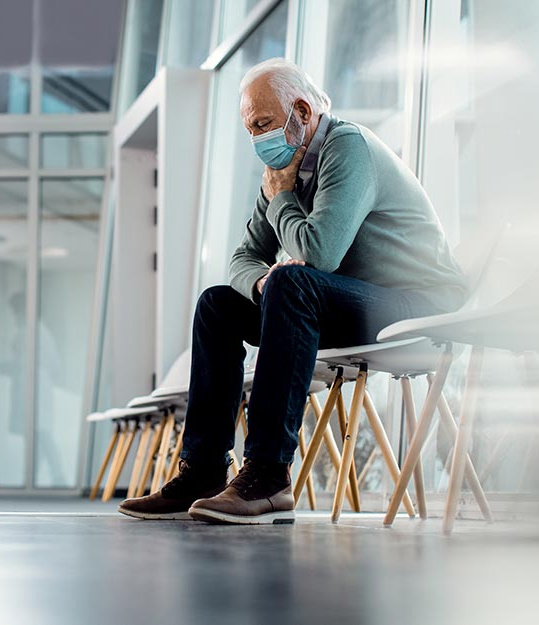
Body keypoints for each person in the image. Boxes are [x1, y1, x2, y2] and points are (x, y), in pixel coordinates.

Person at [119, 58, 467, 525]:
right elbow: (243, 259)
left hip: (420, 307)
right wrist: (261, 281)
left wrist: (282, 200)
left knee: (293, 281)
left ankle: (268, 474)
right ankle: (203, 470)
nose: (256, 139)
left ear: (301, 112)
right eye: (250, 129)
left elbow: (319, 254)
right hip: (355, 303)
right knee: (217, 305)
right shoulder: (285, 169)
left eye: (263, 124)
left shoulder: (347, 148)